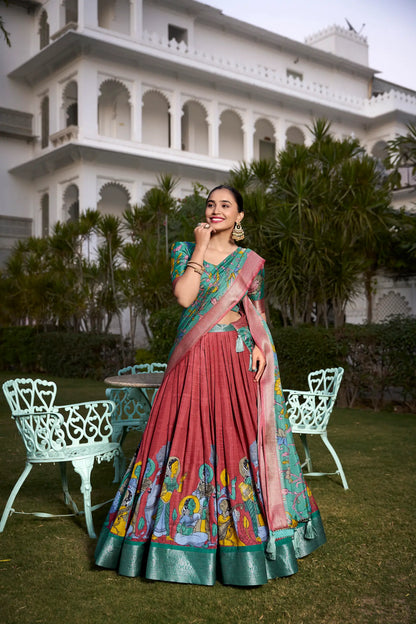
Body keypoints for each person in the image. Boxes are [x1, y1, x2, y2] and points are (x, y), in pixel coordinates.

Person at [95, 185, 326, 586]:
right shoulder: (185, 250)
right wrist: (200, 247)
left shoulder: (251, 263)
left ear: (239, 218)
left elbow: (257, 312)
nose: (216, 210)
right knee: (182, 437)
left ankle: (246, 539)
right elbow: (185, 297)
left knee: (236, 440)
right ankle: (171, 538)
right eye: (211, 204)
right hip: (191, 359)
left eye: (226, 206)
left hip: (235, 360)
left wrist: (260, 345)